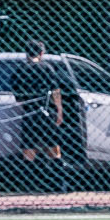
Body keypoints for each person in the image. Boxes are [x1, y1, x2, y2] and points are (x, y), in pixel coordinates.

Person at [12, 40, 71, 192]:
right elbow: (55, 92)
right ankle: (59, 184)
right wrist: (59, 111)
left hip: (30, 113)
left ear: (27, 53)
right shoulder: (47, 68)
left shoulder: (20, 70)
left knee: (29, 149)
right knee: (53, 148)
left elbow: (18, 98)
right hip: (47, 113)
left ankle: (29, 185)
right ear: (41, 53)